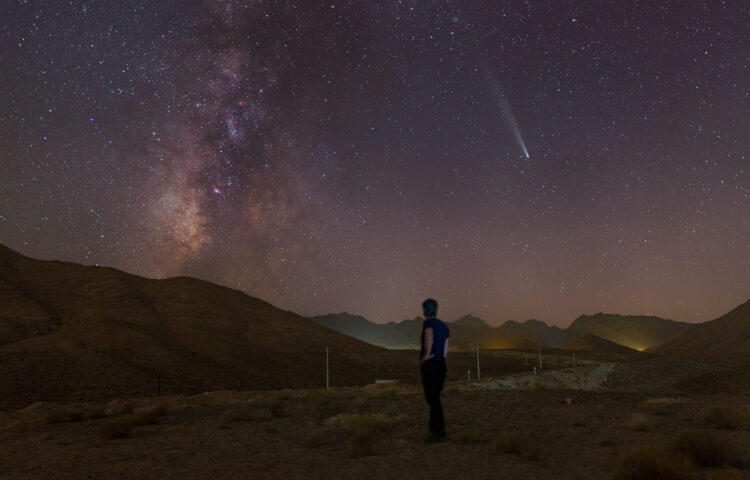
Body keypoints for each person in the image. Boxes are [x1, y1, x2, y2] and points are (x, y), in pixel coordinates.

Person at [419, 298, 450, 443]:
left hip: (430, 366)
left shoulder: (428, 323)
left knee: (432, 399)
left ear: (425, 311)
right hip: (441, 365)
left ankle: (439, 432)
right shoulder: (444, 327)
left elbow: (429, 335)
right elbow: (444, 352)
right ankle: (434, 430)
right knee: (434, 399)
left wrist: (426, 355)